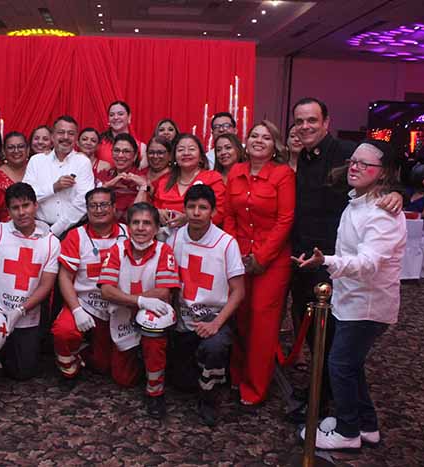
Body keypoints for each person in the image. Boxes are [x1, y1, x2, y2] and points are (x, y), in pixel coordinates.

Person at [290, 97, 402, 420]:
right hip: (304, 260)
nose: (305, 126)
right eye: (300, 121)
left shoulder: (347, 153)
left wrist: (399, 193)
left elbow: (386, 173)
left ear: (327, 122)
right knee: (313, 335)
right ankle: (318, 391)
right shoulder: (302, 158)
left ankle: (323, 404)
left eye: (312, 120)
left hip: (335, 266)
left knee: (332, 343)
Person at [0, 182, 60, 406]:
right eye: (15, 208)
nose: (21, 212)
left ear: (35, 206)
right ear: (8, 210)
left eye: (26, 206)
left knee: (23, 372)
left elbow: (46, 285)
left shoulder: (51, 242)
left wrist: (21, 310)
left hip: (26, 315)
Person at [224, 120, 295, 406]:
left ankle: (255, 386)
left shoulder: (283, 174)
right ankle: (236, 375)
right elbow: (229, 215)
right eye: (254, 135)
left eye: (266, 137)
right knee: (240, 316)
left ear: (274, 145)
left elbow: (285, 220)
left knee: (261, 321)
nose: (259, 140)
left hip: (272, 260)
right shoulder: (236, 172)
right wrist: (234, 253)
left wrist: (261, 257)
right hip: (239, 256)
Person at [167, 185, 245, 426]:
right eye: (191, 207)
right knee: (180, 382)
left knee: (213, 348)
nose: (196, 212)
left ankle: (209, 398)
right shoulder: (175, 237)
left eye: (203, 207)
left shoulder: (226, 243)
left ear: (213, 211)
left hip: (214, 317)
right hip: (183, 318)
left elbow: (239, 291)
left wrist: (216, 324)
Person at [98, 202, 180, 419]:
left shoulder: (164, 251)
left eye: (147, 223)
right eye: (135, 223)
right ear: (128, 226)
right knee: (123, 379)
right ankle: (141, 359)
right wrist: (141, 301)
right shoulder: (117, 249)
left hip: (153, 319)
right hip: (124, 318)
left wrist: (126, 299)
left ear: (156, 228)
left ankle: (155, 392)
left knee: (153, 338)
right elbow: (106, 290)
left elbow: (163, 292)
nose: (141, 228)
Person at [51, 188, 127, 388]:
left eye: (104, 205)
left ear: (114, 207)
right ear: (86, 209)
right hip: (85, 304)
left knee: (108, 368)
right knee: (64, 331)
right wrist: (76, 310)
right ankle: (68, 367)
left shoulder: (128, 233)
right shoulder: (76, 235)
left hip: (118, 306)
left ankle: (85, 350)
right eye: (93, 205)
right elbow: (65, 277)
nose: (98, 210)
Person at [22, 115, 95, 237]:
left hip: (74, 231)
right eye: (61, 132)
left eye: (71, 133)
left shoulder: (83, 162)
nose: (65, 137)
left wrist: (54, 230)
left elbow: (83, 201)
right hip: (39, 228)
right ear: (52, 136)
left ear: (76, 138)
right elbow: (26, 196)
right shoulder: (36, 161)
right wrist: (54, 187)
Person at [151, 133, 226, 228]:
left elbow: (219, 213)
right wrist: (158, 213)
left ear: (201, 156)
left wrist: (188, 219)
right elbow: (153, 210)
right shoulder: (164, 181)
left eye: (191, 149)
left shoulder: (213, 178)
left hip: (202, 233)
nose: (186, 153)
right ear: (174, 157)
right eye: (180, 150)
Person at [96, 133, 149, 221]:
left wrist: (143, 187)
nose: (120, 155)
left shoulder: (142, 179)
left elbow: (135, 217)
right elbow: (93, 206)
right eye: (116, 150)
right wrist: (107, 185)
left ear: (135, 156)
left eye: (126, 151)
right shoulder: (104, 174)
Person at [0, 131, 29, 222]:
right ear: (3, 151)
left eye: (21, 146)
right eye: (11, 147)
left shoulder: (36, 168)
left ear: (28, 150)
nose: (16, 151)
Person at [97, 101, 146, 167]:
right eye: (111, 115)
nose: (116, 117)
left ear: (129, 117)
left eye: (120, 114)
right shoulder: (97, 143)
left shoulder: (141, 147)